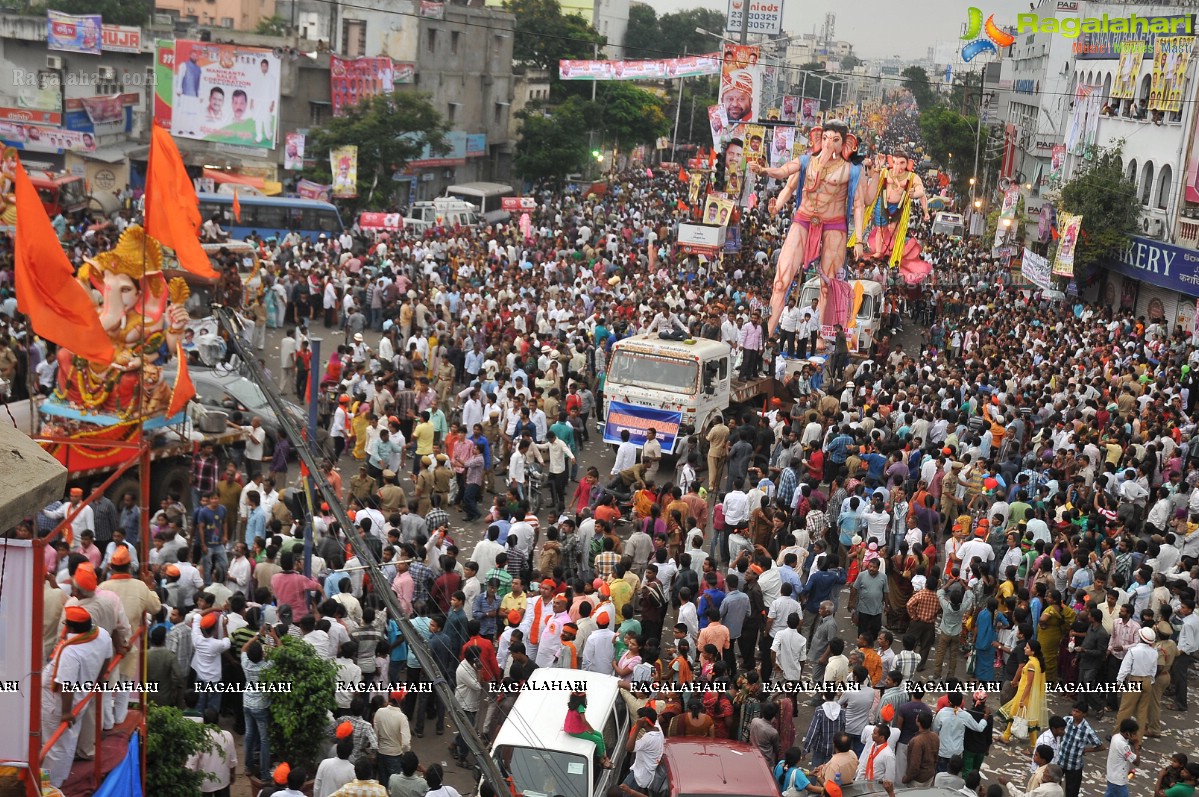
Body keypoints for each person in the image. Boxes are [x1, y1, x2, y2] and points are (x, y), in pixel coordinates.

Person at [751, 120, 866, 333]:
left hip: (834, 224)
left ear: (846, 144)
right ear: (818, 139)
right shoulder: (807, 162)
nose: (829, 144)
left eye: (835, 140)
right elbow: (785, 175)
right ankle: (767, 331)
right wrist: (764, 171)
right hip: (804, 218)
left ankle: (821, 333)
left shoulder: (851, 171)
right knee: (781, 279)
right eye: (825, 138)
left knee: (827, 285)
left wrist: (858, 239)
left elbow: (859, 205)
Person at [42, 606, 113, 788]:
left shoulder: (71, 652)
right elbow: (107, 658)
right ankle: (56, 781)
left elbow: (67, 684)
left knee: (53, 748)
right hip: (80, 700)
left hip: (59, 704)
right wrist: (99, 678)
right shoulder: (102, 635)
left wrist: (65, 712)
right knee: (67, 742)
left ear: (71, 628)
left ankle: (49, 786)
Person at [999, 639, 1048, 745]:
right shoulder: (1037, 662)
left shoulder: (1031, 664)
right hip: (1025, 693)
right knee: (1017, 715)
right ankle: (1006, 736)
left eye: (1027, 647)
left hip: (1024, 695)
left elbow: (1029, 683)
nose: (1025, 649)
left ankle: (1033, 744)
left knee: (1023, 717)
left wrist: (1022, 699)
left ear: (1033, 651)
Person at [564, 692, 614, 769]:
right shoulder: (580, 707)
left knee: (599, 734)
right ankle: (601, 759)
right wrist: (591, 730)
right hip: (576, 731)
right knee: (597, 739)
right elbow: (584, 720)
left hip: (571, 727)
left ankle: (604, 755)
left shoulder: (572, 704)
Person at [1103, 719, 1140, 797]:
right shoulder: (1123, 745)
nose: (1136, 736)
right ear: (1127, 733)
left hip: (1112, 776)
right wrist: (1136, 746)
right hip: (1118, 781)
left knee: (1110, 793)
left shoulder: (1116, 737)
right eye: (1134, 734)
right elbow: (1137, 762)